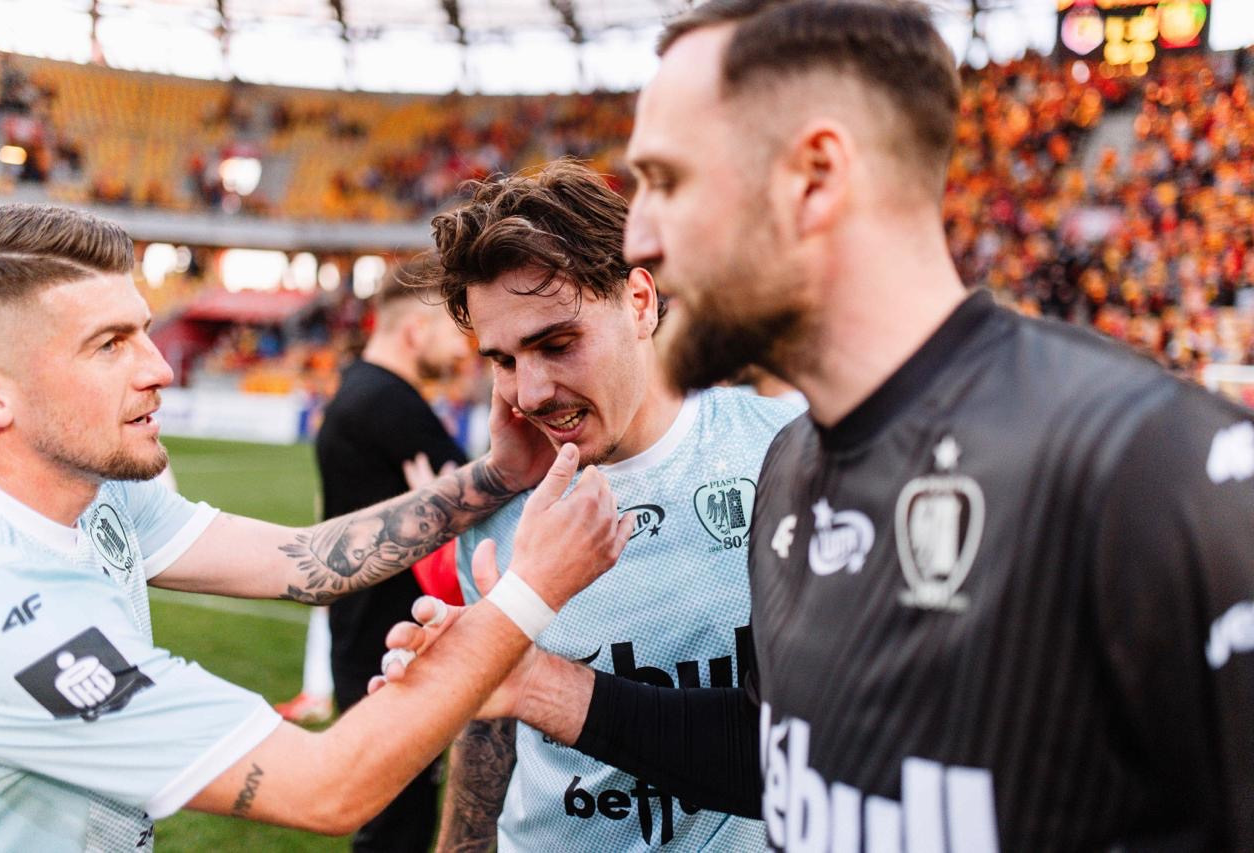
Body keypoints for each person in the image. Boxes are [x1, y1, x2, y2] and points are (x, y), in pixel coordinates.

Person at [381, 2, 1254, 849]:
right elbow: (780, 758)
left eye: (669, 183)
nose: (640, 239)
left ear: (815, 176)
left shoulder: (1153, 462)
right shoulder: (793, 463)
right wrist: (537, 683)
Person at [0, 202, 632, 850]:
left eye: (144, 331)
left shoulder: (102, 495)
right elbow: (324, 786)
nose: (160, 368)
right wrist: (531, 589)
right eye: (109, 344)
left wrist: (497, 474)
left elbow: (304, 559)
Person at [417, 160, 800, 851]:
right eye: (504, 360)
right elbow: (491, 725)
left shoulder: (784, 451)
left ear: (640, 302)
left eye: (557, 343)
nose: (530, 392)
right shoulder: (504, 503)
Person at [316, 274, 472, 852]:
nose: (464, 350)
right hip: (389, 640)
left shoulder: (360, 389)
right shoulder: (390, 402)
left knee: (391, 815)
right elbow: (479, 492)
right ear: (414, 331)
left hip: (366, 628)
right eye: (454, 333)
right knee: (397, 824)